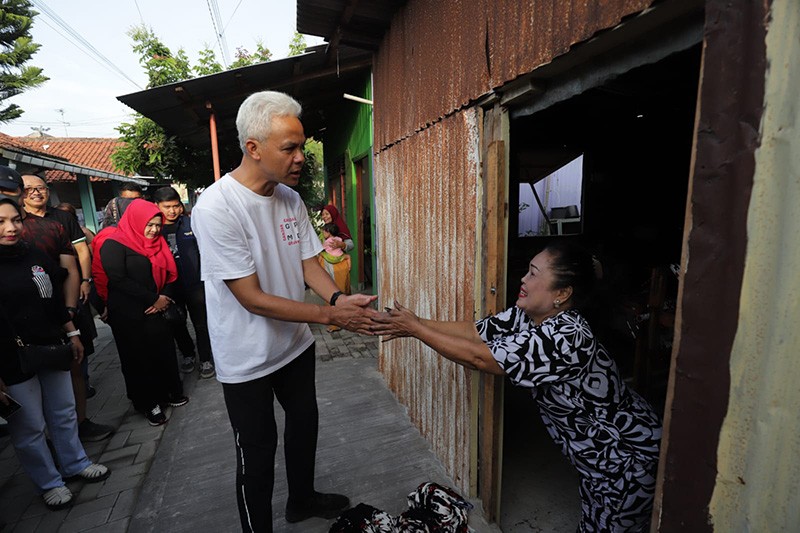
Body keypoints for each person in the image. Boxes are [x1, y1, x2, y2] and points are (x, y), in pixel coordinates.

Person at [372, 240, 663, 532]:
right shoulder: (527, 316)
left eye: (534, 273)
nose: (523, 278)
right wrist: (417, 321)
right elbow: (476, 334)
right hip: (596, 463)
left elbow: (479, 358)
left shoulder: (568, 335)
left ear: (561, 293)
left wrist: (416, 330)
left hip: (626, 458)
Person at [190, 90, 379, 532]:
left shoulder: (290, 199)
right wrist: (332, 317)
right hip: (247, 357)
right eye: (289, 148)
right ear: (253, 148)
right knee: (256, 452)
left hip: (294, 344)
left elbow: (308, 262)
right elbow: (250, 297)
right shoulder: (217, 207)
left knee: (304, 427)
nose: (300, 158)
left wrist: (336, 299)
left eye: (301, 146)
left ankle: (302, 499)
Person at [0, 198, 110, 510]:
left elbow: (54, 301)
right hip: (11, 359)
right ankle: (49, 482)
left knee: (63, 410)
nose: (10, 228)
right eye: (0, 222)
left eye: (15, 220)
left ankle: (75, 462)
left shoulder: (33, 254)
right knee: (30, 425)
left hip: (51, 345)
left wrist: (72, 332)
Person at [20, 174, 112, 443]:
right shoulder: (17, 223)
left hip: (69, 298)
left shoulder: (62, 219)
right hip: (34, 308)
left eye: (41, 188)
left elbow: (80, 253)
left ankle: (81, 421)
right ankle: (52, 433)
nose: (36, 193)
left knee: (78, 362)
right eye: (29, 189)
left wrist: (85, 281)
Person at [100, 199, 188, 426]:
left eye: (158, 225)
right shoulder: (114, 243)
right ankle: (149, 403)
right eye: (149, 225)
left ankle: (171, 393)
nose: (154, 230)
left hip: (157, 309)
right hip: (129, 314)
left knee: (163, 351)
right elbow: (117, 279)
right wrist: (153, 298)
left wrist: (164, 298)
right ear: (136, 221)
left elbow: (171, 273)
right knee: (138, 359)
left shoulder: (159, 243)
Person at [153, 186, 215, 379]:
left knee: (201, 323)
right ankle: (188, 354)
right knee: (176, 323)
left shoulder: (191, 224)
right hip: (169, 287)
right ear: (157, 206)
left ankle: (206, 358)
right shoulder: (154, 229)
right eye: (167, 206)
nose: (172, 211)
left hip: (195, 284)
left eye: (176, 206)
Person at [317, 222, 351, 332]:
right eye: (323, 214)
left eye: (327, 214)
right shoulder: (339, 238)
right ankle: (339, 320)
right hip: (338, 263)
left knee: (334, 294)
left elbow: (320, 249)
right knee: (336, 293)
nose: (324, 216)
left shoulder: (328, 242)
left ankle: (337, 322)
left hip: (336, 269)